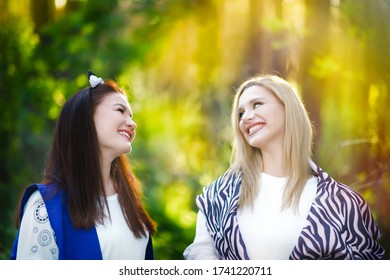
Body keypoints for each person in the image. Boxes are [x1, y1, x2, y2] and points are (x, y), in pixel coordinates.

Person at [183, 74, 385, 260]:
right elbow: (200, 254)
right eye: (241, 113)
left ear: (288, 108)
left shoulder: (345, 203)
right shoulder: (217, 196)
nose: (245, 117)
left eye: (257, 104)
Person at [10, 71, 156, 260]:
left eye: (132, 116)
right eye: (120, 110)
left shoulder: (129, 201)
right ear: (86, 117)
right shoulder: (46, 206)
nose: (132, 124)